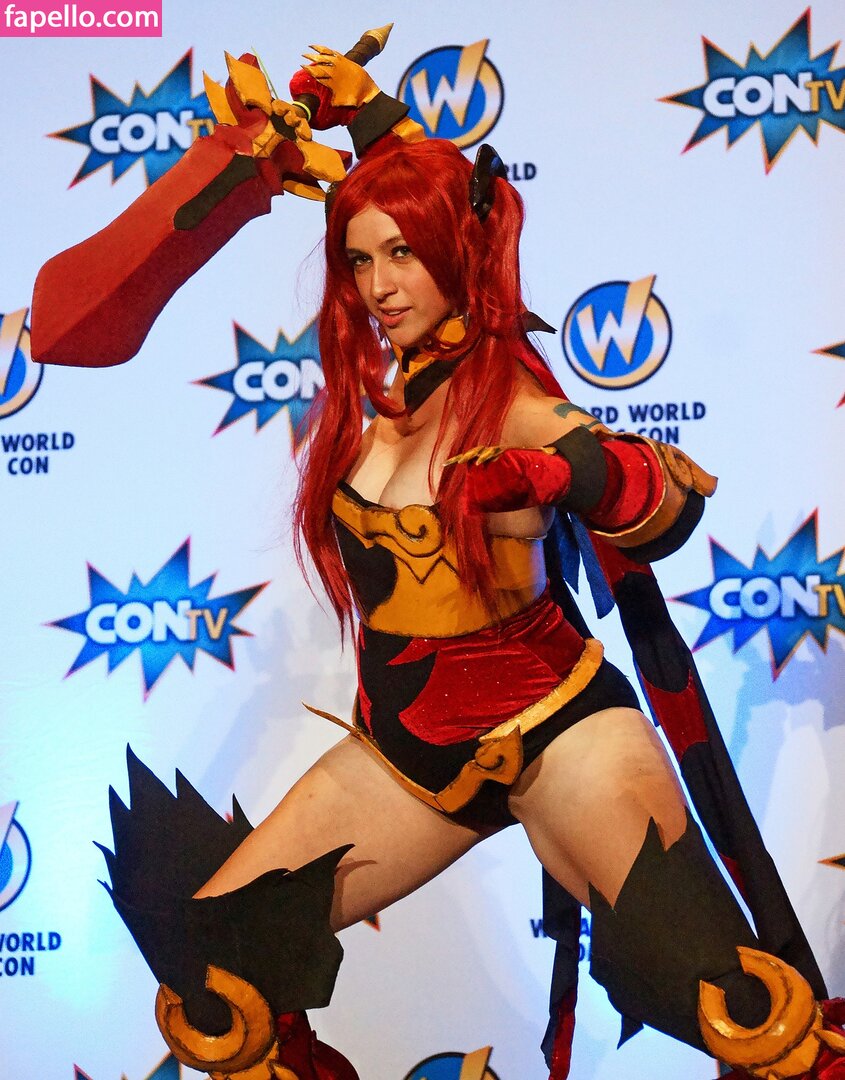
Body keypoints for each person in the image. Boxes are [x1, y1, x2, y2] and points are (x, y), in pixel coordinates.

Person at [32, 40, 845, 1080]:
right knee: (219, 977)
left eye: (402, 256)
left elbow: (658, 501)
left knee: (741, 1012)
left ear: (452, 255)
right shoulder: (386, 396)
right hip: (406, 756)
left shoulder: (510, 391)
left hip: (557, 733)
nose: (379, 285)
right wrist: (357, 122)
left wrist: (558, 475)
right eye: (359, 260)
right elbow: (427, 201)